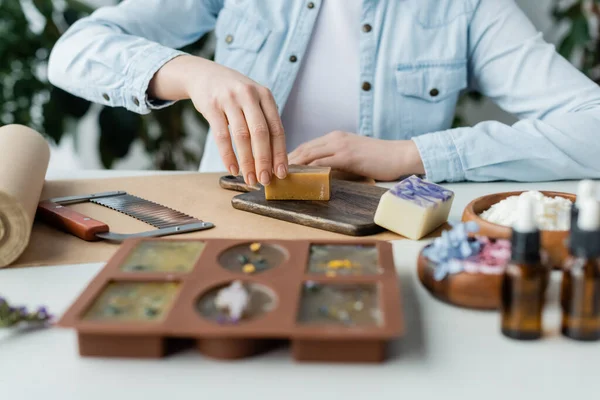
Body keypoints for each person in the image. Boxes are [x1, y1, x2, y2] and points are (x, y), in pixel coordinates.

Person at [48, 0, 600, 186]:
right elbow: (73, 51)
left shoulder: (465, 8)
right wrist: (193, 73)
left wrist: (411, 156)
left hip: (382, 244)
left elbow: (592, 122)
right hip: (224, 222)